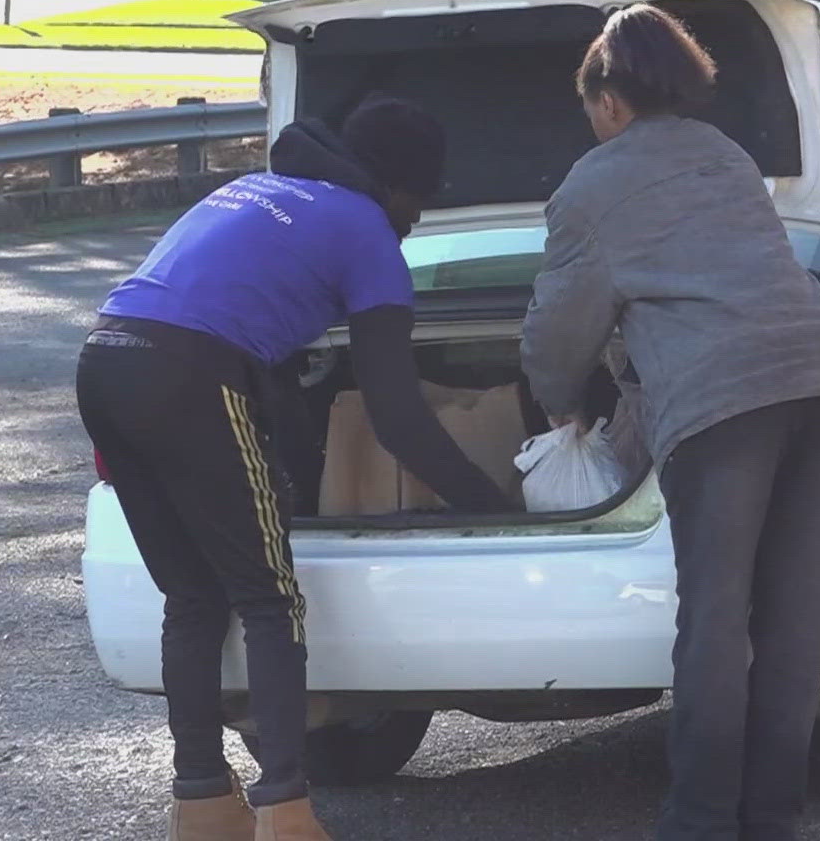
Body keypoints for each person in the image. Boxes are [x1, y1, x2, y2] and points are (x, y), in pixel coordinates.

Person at [77, 96, 514, 841]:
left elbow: (266, 365)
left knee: (191, 597)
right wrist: (497, 507)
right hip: (191, 374)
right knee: (270, 598)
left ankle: (203, 806)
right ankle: (284, 809)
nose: (414, 221)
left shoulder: (252, 191)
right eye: (420, 201)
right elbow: (397, 416)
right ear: (401, 186)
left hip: (105, 362)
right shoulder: (368, 231)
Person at [520, 4, 820, 840]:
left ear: (608, 100)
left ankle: (701, 821)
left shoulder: (593, 184)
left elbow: (561, 323)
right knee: (793, 619)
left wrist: (559, 397)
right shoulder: (727, 155)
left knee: (715, 616)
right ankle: (772, 819)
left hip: (723, 400)